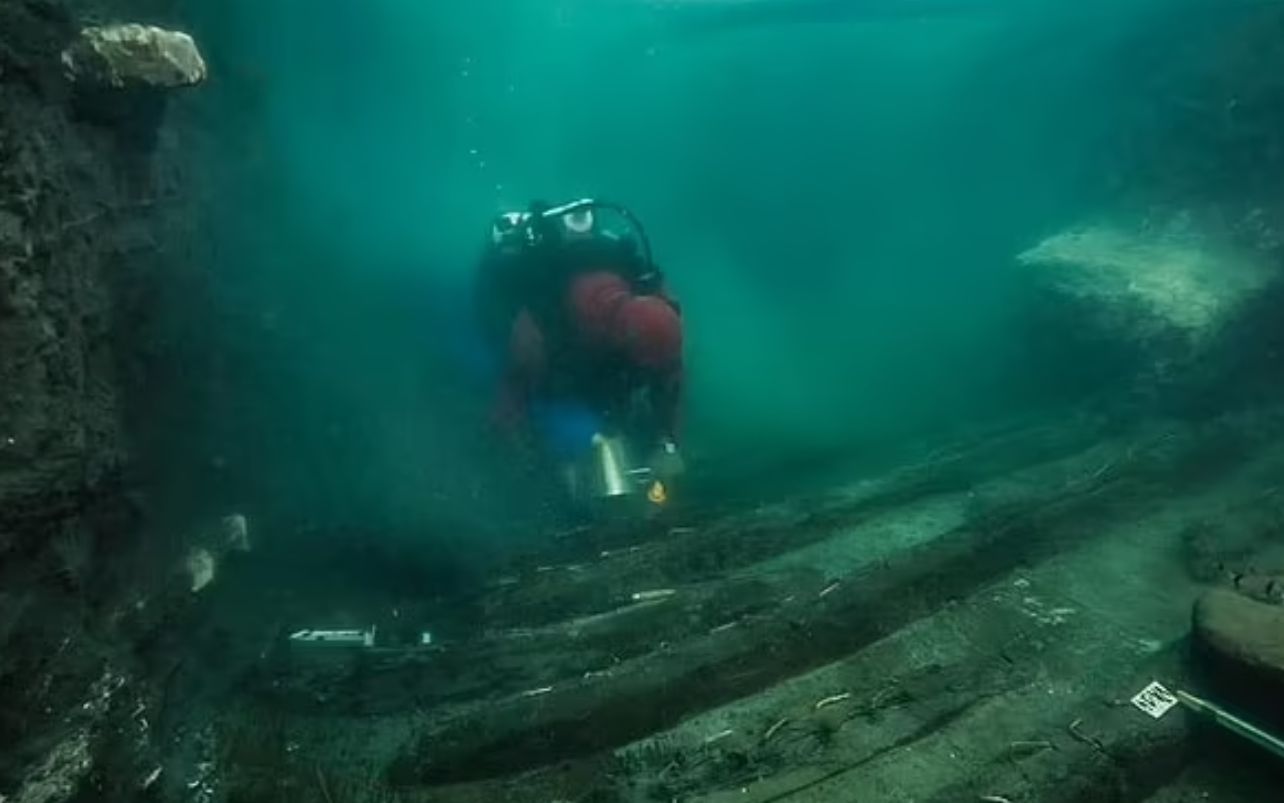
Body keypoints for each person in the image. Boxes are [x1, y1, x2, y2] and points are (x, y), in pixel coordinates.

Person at [474, 199, 685, 502]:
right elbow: (512, 400)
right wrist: (529, 466)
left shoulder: (652, 309)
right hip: (560, 370)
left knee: (612, 414)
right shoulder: (543, 323)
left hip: (592, 362)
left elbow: (670, 377)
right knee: (569, 425)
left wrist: (668, 442)